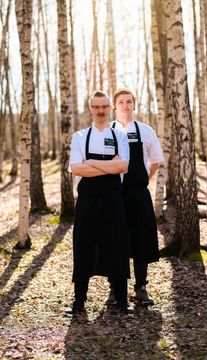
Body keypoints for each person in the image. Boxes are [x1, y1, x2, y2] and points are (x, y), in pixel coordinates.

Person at [68, 90, 130, 315]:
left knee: (117, 245)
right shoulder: (79, 137)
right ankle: (79, 301)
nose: (101, 111)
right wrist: (108, 166)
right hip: (87, 202)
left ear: (110, 108)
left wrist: (91, 163)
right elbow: (76, 168)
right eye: (96, 107)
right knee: (83, 246)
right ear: (91, 109)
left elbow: (122, 167)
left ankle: (122, 299)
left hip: (113, 200)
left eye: (104, 106)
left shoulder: (120, 136)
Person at [107, 88, 164, 306]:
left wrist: (143, 180)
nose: (124, 105)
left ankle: (141, 287)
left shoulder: (145, 130)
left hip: (138, 194)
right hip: (114, 195)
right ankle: (115, 289)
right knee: (115, 241)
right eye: (120, 101)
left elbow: (155, 161)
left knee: (141, 239)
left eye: (128, 101)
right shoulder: (107, 131)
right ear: (115, 105)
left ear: (134, 104)